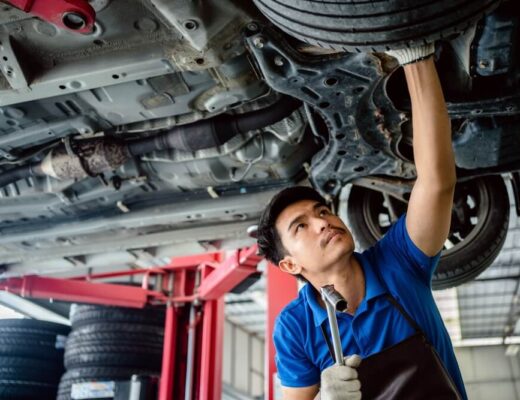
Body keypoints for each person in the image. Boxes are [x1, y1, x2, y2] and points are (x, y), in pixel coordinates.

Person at [257, 44, 468, 400]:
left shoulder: (399, 262)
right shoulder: (296, 326)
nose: (322, 222)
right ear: (290, 263)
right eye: (301, 226)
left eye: (322, 211)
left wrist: (416, 58)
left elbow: (436, 181)